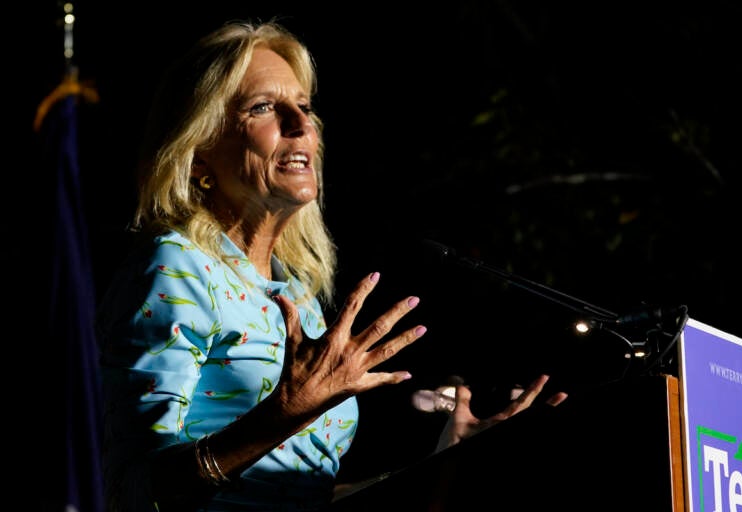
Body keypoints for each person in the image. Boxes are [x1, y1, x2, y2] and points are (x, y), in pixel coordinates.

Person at [95, 19, 568, 512]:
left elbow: (305, 499)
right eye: (263, 108)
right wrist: (285, 412)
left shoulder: (298, 293)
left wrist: (444, 466)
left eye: (304, 106)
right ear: (199, 152)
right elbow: (134, 491)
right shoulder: (176, 266)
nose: (301, 125)